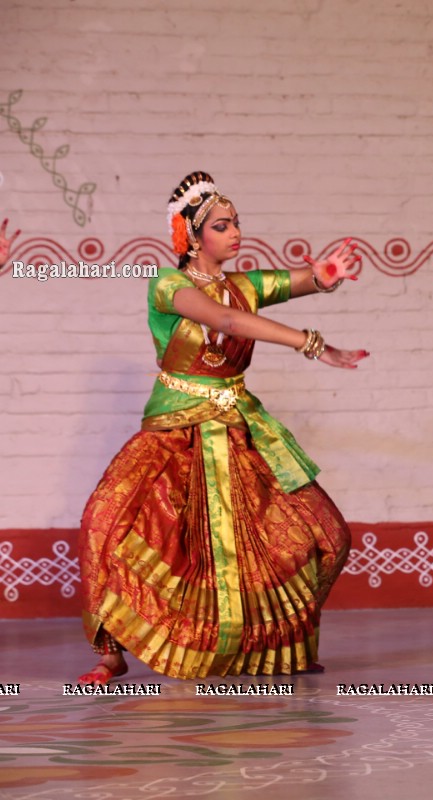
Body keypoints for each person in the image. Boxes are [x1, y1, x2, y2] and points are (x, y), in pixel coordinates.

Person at [77, 171, 368, 684]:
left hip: (238, 428)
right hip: (175, 433)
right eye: (222, 225)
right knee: (112, 523)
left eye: (236, 223)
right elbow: (226, 322)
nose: (235, 233)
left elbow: (296, 280)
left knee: (326, 534)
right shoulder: (168, 285)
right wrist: (312, 344)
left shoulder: (245, 286)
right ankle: (111, 652)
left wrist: (324, 274)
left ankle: (276, 640)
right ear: (192, 235)